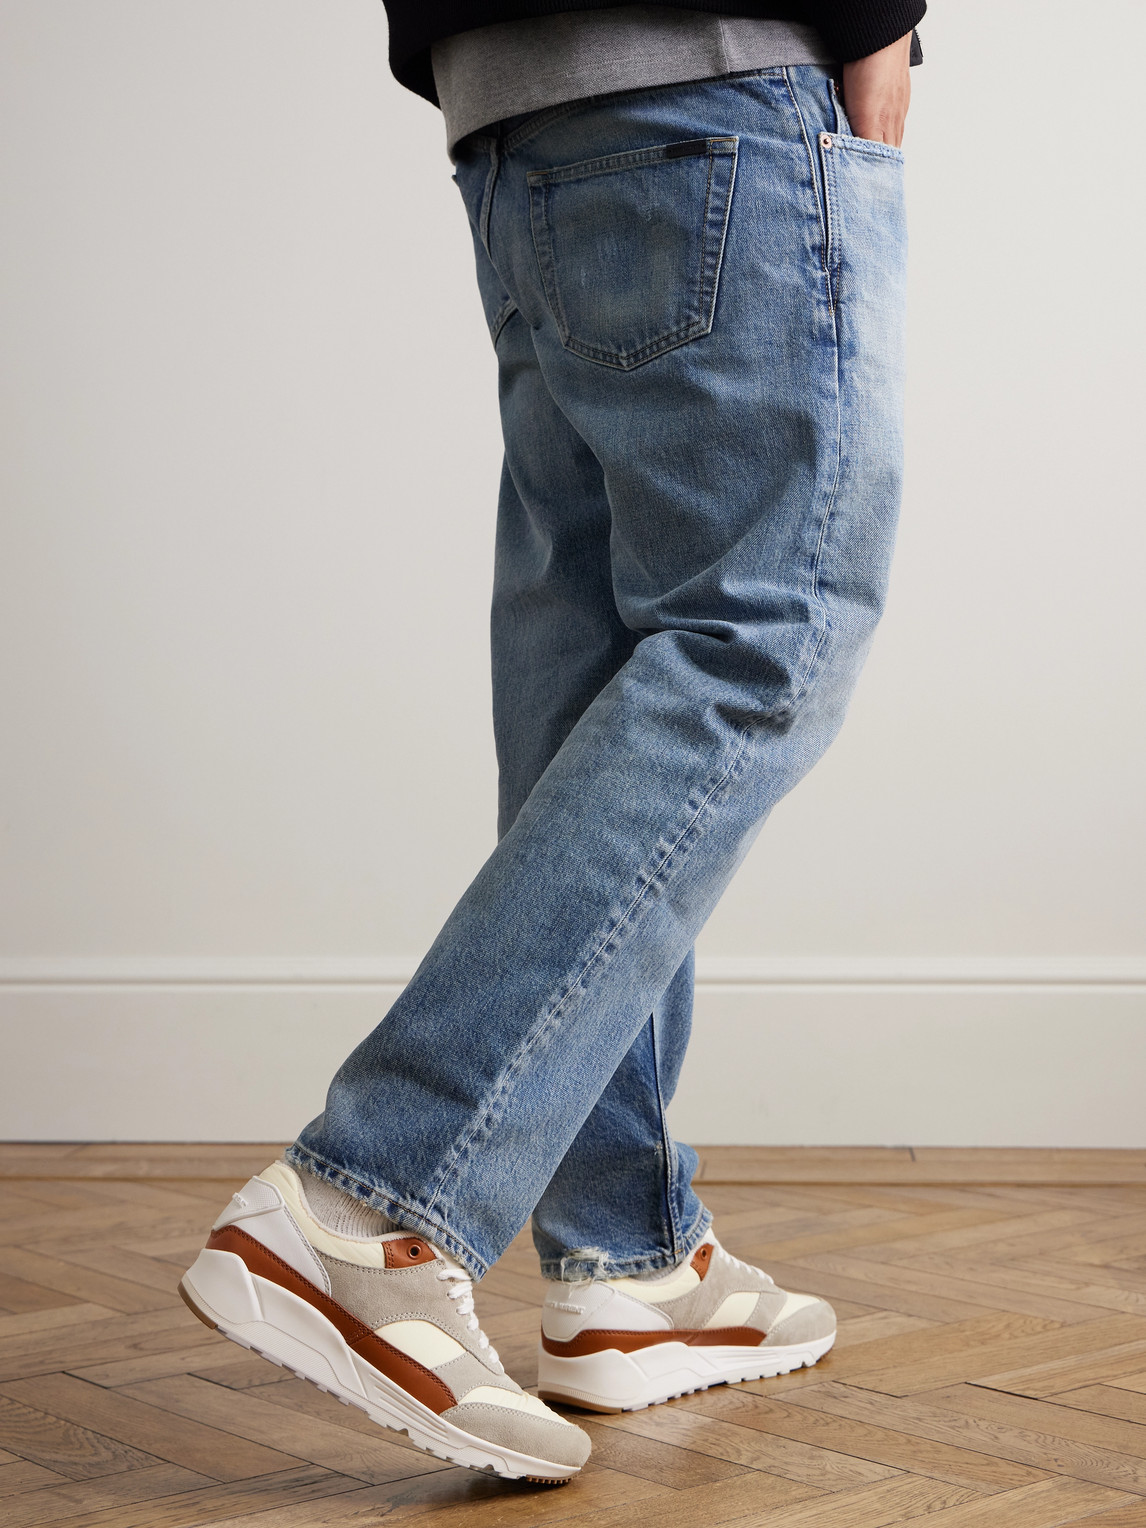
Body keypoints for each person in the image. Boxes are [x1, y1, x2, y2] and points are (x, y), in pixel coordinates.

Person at [181, 0, 923, 1486]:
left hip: (516, 120)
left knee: (593, 670)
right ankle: (374, 1196)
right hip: (721, 84)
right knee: (759, 636)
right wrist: (874, 50)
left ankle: (625, 1263)